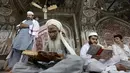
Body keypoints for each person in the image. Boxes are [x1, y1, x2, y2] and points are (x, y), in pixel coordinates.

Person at [11, 19, 84, 73]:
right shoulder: (47, 43)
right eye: (50, 32)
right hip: (50, 66)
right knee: (18, 66)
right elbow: (45, 60)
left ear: (59, 31)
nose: (51, 34)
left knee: (77, 60)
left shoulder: (66, 41)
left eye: (54, 31)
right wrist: (36, 58)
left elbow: (71, 57)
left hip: (62, 65)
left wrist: (60, 58)